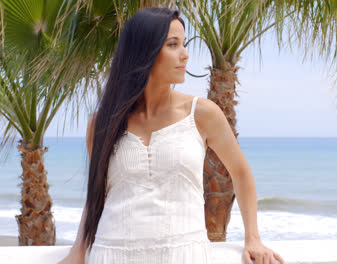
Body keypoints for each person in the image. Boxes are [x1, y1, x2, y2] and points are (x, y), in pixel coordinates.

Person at [58, 7, 284, 264]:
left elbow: (241, 173)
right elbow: (96, 195)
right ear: (144, 51)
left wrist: (252, 238)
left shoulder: (202, 113)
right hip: (112, 254)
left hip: (184, 254)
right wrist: (78, 249)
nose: (185, 55)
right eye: (173, 45)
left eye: (184, 44)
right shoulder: (101, 123)